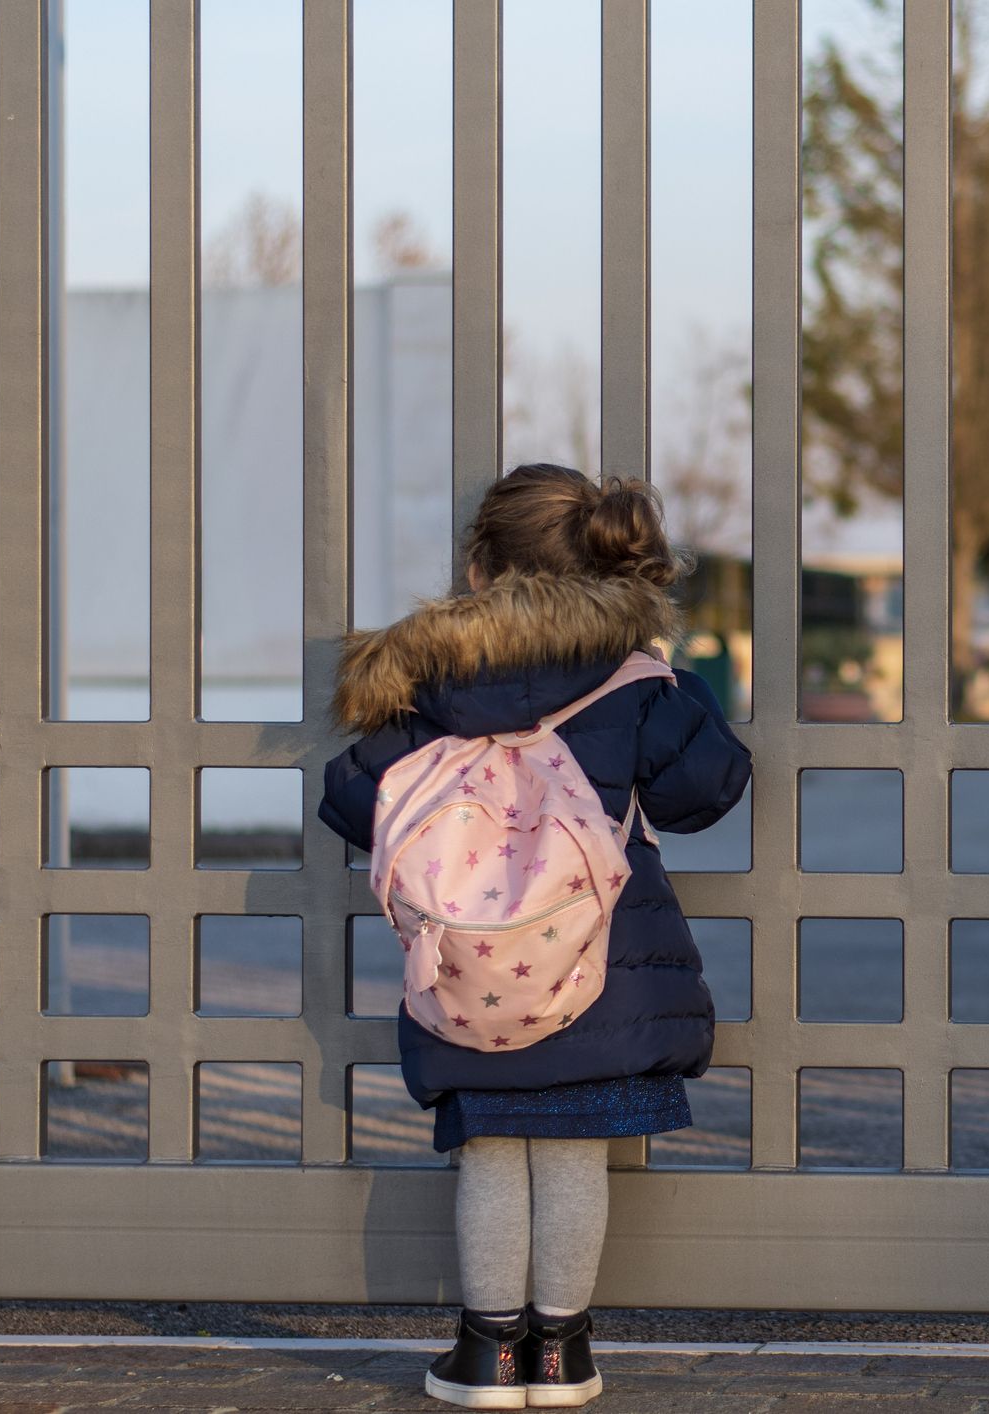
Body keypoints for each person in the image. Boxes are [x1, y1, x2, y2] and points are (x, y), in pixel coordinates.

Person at [319, 464, 751, 1409]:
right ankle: (562, 1354)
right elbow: (702, 791)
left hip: (467, 967)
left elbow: (352, 798)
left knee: (487, 1151)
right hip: (598, 970)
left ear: (479, 571)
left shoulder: (428, 682)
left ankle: (486, 1355)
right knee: (570, 1158)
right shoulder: (636, 681)